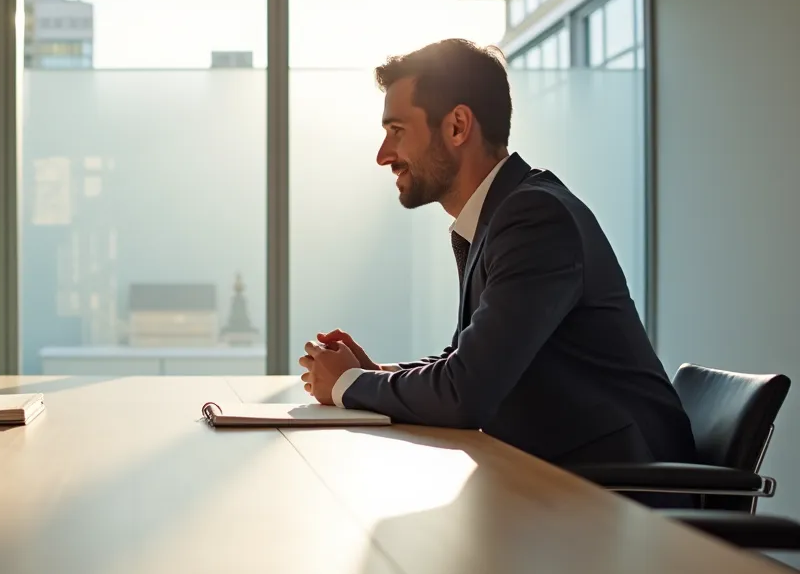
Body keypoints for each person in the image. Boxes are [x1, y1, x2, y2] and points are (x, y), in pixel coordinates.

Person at [298, 39, 696, 470]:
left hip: (626, 496)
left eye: (396, 131)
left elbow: (465, 393)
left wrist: (348, 384)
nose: (383, 156)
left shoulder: (534, 218)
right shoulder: (500, 216)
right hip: (563, 483)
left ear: (457, 126)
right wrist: (375, 373)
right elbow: (464, 363)